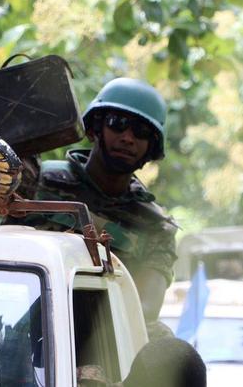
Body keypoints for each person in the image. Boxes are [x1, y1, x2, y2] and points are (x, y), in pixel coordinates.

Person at [17, 77, 178, 331]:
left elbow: (145, 308)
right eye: (118, 124)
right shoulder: (33, 180)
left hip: (100, 340)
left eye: (141, 132)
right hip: (13, 317)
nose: (127, 138)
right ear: (94, 130)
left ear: (151, 148)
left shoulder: (155, 227)